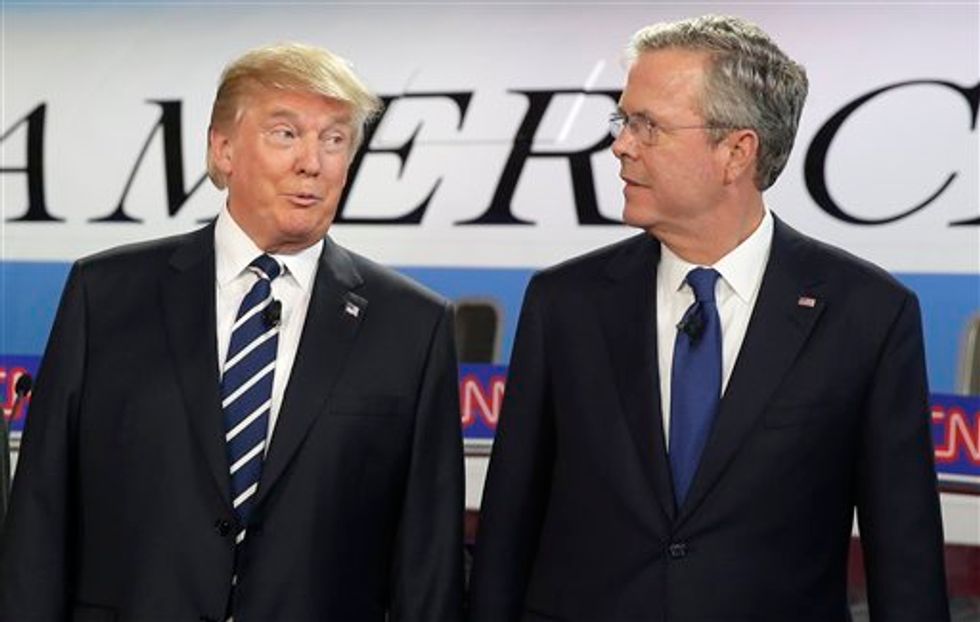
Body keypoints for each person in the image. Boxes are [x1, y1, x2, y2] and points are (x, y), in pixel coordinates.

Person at [470, 15, 948, 622]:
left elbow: (905, 562)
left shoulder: (867, 315)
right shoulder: (563, 304)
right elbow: (507, 533)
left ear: (736, 152)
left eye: (648, 125)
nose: (621, 145)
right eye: (623, 121)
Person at [0, 43, 463, 621]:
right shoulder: (105, 295)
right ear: (222, 150)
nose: (312, 163)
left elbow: (429, 561)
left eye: (334, 139)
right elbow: (41, 513)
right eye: (285, 134)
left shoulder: (411, 327)